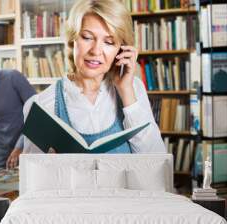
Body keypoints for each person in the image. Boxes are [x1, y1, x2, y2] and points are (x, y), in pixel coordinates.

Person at [23, 0, 165, 153]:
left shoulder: (133, 89)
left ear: (121, 50)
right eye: (87, 37)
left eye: (109, 42)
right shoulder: (43, 104)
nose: (96, 51)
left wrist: (126, 91)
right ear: (73, 40)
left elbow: (156, 160)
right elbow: (34, 173)